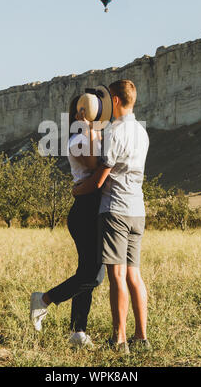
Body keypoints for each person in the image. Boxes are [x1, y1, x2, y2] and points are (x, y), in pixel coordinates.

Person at [73, 79, 150, 354]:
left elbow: (98, 180)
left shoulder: (115, 133)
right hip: (137, 210)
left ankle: (120, 339)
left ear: (115, 100)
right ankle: (142, 337)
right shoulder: (143, 132)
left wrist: (76, 189)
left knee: (116, 276)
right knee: (134, 276)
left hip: (115, 209)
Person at [30, 96, 105, 348]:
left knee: (88, 272)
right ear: (79, 114)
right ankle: (45, 299)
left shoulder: (90, 136)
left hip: (92, 208)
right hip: (85, 210)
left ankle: (78, 332)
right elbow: (96, 166)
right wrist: (91, 131)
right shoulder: (79, 140)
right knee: (94, 275)